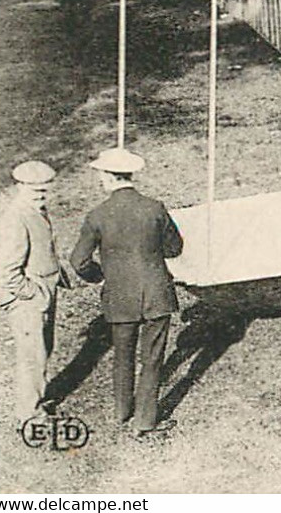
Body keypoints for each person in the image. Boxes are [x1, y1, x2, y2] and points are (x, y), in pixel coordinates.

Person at [69, 148, 184, 440]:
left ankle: (122, 411)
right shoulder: (155, 207)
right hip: (156, 293)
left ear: (108, 177)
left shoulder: (97, 215)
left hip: (119, 296)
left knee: (123, 355)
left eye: (101, 175)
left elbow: (78, 261)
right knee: (153, 358)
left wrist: (101, 276)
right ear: (130, 175)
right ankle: (145, 420)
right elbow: (175, 248)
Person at [0, 160, 74, 429]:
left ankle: (36, 400)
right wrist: (34, 294)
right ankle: (29, 415)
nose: (40, 196)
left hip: (43, 292)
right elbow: (6, 272)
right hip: (29, 298)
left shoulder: (35, 210)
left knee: (42, 350)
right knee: (32, 356)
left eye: (43, 191)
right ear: (19, 187)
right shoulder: (15, 218)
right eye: (34, 191)